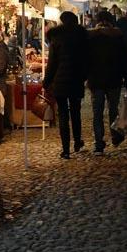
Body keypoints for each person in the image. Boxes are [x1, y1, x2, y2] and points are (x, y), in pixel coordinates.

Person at [86, 10, 127, 154]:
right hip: (114, 79)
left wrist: (85, 77)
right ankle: (115, 136)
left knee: (97, 113)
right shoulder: (118, 37)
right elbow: (125, 62)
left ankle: (99, 144)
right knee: (113, 110)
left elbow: (85, 62)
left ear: (97, 21)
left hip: (96, 80)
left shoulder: (90, 38)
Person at [43, 11, 88, 158]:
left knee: (63, 114)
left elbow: (52, 63)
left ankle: (66, 149)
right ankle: (77, 142)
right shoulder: (81, 37)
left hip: (60, 81)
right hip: (76, 80)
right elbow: (86, 60)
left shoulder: (56, 37)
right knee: (75, 112)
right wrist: (84, 76)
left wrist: (47, 81)